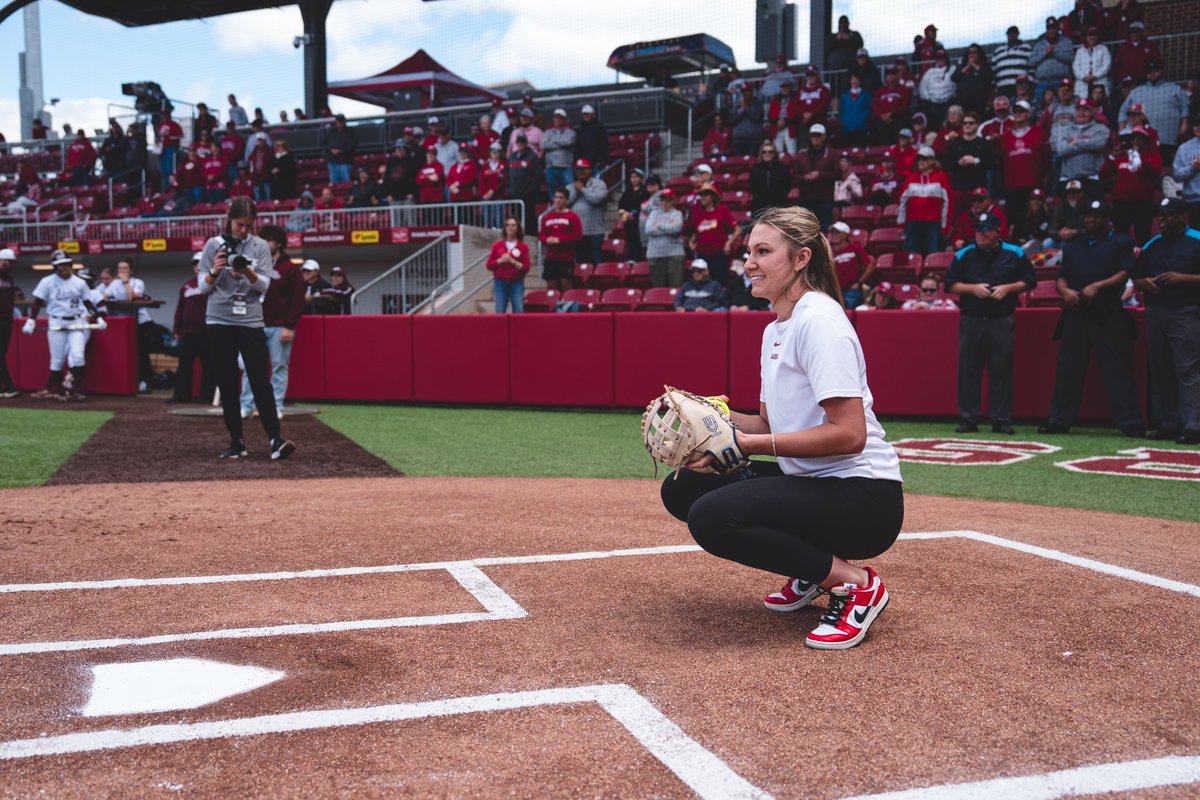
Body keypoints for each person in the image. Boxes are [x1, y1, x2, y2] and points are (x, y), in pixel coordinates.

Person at [659, 205, 903, 651]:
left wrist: (748, 444)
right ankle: (814, 569)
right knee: (683, 489)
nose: (748, 262)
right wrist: (706, 416)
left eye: (763, 251)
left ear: (801, 259)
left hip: (863, 497)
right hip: (814, 485)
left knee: (713, 516)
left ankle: (855, 585)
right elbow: (770, 423)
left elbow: (849, 435)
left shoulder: (820, 323)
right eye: (749, 251)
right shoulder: (776, 329)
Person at [197, 197, 294, 459]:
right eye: (240, 225)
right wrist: (217, 270)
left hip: (250, 319)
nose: (244, 230)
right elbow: (202, 287)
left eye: (249, 226)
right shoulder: (213, 245)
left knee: (260, 379)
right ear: (230, 220)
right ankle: (236, 441)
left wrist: (246, 270)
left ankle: (275, 438)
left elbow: (264, 285)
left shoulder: (260, 245)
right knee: (227, 381)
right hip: (219, 319)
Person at [1038, 200, 1144, 437]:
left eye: (1096, 216)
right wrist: (1065, 292)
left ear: (1107, 219)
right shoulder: (1073, 246)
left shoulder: (1120, 242)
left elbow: (1125, 272)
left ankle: (1130, 422)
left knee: (1117, 368)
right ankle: (1059, 419)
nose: (1090, 220)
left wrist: (1097, 286)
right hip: (1076, 311)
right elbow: (1062, 277)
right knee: (1068, 368)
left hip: (1107, 310)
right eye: (1087, 216)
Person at [944, 213, 1037, 434]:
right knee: (968, 369)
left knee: (1001, 369)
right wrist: (972, 289)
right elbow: (950, 285)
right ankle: (968, 418)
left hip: (1001, 319)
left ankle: (1001, 419)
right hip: (971, 318)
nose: (982, 233)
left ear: (997, 232)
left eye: (987, 229)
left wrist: (1007, 288)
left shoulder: (1015, 253)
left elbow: (1030, 281)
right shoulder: (964, 254)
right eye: (978, 229)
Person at [1130, 198, 1200, 444]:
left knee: (1188, 368)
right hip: (1156, 311)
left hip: (1186, 311)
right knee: (1161, 368)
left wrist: (1184, 278)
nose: (1162, 220)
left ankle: (1193, 425)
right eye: (1160, 215)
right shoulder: (1153, 243)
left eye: (1168, 215)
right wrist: (1144, 284)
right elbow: (1135, 275)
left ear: (1183, 216)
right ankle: (1170, 423)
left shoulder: (1196, 240)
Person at [238, 224, 305, 417]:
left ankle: (276, 407)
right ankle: (247, 406)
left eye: (269, 240)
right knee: (251, 367)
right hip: (254, 324)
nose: (265, 244)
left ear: (279, 242)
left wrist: (289, 326)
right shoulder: (254, 266)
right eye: (262, 240)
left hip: (279, 326)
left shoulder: (290, 269)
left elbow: (297, 301)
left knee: (279, 367)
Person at [21, 250, 101, 402]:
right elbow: (37, 301)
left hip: (76, 321)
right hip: (56, 321)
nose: (63, 268)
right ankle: (60, 391)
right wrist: (31, 320)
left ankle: (76, 390)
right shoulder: (47, 281)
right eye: (59, 265)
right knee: (57, 359)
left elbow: (88, 302)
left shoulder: (79, 282)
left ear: (70, 265)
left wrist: (98, 318)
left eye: (65, 264)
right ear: (55, 267)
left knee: (78, 356)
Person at [1119, 61, 1190, 164]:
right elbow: (1124, 109)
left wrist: (1185, 123)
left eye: (1156, 71)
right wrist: (1121, 126)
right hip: (1141, 139)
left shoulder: (1174, 89)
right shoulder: (1137, 91)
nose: (1153, 73)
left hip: (1166, 138)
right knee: (1140, 166)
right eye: (1149, 71)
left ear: (1161, 71)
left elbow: (1185, 106)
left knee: (1164, 166)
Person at [1101, 127, 1160, 244]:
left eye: (1139, 139)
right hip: (1121, 204)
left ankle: (1142, 259)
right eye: (1133, 139)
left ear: (1145, 141)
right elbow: (1103, 175)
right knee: (1119, 237)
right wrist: (1113, 156)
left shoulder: (1152, 155)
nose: (1135, 141)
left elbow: (1155, 172)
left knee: (1142, 236)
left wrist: (1140, 157)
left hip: (1143, 203)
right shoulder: (1121, 156)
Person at [170, 252, 215, 404]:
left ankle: (206, 396)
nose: (198, 266)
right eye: (195, 264)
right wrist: (176, 329)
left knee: (208, 365)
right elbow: (180, 309)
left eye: (201, 263)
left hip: (206, 332)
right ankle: (181, 396)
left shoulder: (212, 284)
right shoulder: (186, 285)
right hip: (187, 332)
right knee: (184, 365)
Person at [997, 100, 1048, 224]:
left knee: (1034, 221)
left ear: (1029, 113)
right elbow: (1000, 161)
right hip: (1013, 188)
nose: (1018, 113)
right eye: (1015, 111)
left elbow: (1047, 159)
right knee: (1014, 223)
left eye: (1022, 111)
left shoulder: (1038, 132)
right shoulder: (1005, 137)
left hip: (1033, 185)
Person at [897, 146, 951, 256]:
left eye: (924, 158)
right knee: (913, 254)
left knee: (933, 254)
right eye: (918, 159)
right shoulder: (911, 177)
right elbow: (902, 202)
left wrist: (945, 226)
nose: (920, 161)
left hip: (933, 222)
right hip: (913, 222)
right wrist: (900, 224)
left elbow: (948, 203)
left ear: (932, 160)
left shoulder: (941, 176)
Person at [686, 184, 739, 285]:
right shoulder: (699, 213)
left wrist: (728, 243)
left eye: (705, 194)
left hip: (719, 253)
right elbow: (697, 231)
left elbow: (737, 230)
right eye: (701, 195)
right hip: (702, 253)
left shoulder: (722, 210)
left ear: (712, 196)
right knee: (702, 283)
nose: (702, 197)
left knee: (720, 281)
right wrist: (691, 242)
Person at [1052, 98, 1108, 193]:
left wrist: (1074, 142)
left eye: (1085, 110)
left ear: (1092, 112)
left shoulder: (1100, 128)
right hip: (1069, 178)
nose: (1081, 113)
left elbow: (1098, 144)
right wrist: (1087, 143)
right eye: (1078, 109)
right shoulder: (1065, 129)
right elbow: (1061, 149)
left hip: (1092, 177)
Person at [792, 123, 837, 231]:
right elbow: (793, 177)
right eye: (813, 135)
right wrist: (804, 177)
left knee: (825, 230)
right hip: (806, 199)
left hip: (825, 200)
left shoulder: (831, 153)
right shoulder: (801, 154)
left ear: (824, 136)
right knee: (805, 231)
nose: (815, 138)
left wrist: (820, 174)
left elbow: (837, 174)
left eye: (818, 135)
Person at [538, 188, 582, 293]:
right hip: (551, 257)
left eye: (561, 198)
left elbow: (578, 236)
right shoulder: (547, 217)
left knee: (566, 287)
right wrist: (546, 239)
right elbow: (541, 235)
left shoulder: (572, 217)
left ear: (567, 200)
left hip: (566, 258)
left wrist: (560, 240)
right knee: (551, 288)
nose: (558, 200)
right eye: (556, 197)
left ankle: (567, 308)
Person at [488, 215, 530, 313]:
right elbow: (489, 265)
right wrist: (500, 260)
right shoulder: (497, 245)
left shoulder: (523, 247)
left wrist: (513, 262)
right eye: (507, 225)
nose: (510, 227)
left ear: (518, 228)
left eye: (513, 225)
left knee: (518, 310)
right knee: (499, 311)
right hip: (500, 282)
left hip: (516, 282)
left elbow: (526, 268)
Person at [644, 188, 685, 287]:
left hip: (674, 253)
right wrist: (667, 227)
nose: (664, 202)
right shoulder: (653, 214)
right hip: (655, 253)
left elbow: (676, 228)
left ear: (672, 200)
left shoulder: (677, 214)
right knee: (658, 287)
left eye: (667, 199)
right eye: (662, 199)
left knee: (676, 286)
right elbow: (648, 230)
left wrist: (659, 225)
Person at [828, 221, 874, 308]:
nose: (834, 234)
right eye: (832, 232)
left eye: (837, 232)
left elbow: (870, 266)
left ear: (845, 234)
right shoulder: (829, 251)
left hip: (852, 290)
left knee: (845, 307)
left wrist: (859, 283)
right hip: (835, 290)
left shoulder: (855, 248)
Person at [1029, 17, 1074, 104]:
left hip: (1061, 81)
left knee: (1064, 104)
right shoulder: (1039, 44)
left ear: (1058, 29)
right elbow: (1031, 62)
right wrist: (1045, 54)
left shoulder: (1066, 41)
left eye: (1054, 28)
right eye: (1049, 28)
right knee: (1039, 105)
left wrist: (1055, 53)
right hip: (1043, 82)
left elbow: (1071, 57)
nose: (1052, 30)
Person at [507, 132, 542, 233]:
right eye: (518, 142)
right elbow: (507, 174)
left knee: (528, 220)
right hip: (514, 195)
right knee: (515, 219)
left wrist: (528, 191)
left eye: (522, 142)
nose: (520, 144)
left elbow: (537, 175)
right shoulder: (512, 157)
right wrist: (510, 189)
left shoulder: (532, 157)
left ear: (526, 143)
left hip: (528, 196)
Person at [1112, 21, 1162, 86]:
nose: (1134, 34)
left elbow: (1157, 61)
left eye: (1136, 31)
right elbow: (1117, 65)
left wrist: (1151, 75)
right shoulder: (1124, 47)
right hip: (1129, 82)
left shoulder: (1150, 45)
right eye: (1132, 32)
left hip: (1146, 81)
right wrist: (1124, 76)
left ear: (1141, 32)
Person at [748, 141, 791, 216]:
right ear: (761, 154)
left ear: (774, 154)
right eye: (764, 152)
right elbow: (752, 187)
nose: (767, 154)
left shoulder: (783, 168)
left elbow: (787, 186)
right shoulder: (755, 169)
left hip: (779, 208)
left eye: (770, 152)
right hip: (759, 208)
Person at [0, 248, 21, 398]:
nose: (11, 265)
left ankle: (5, 386)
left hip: (6, 319)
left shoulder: (10, 278)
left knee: (2, 352)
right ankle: (8, 385)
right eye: (9, 262)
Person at [1174, 112, 1200, 229]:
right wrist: (1193, 168)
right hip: (1193, 202)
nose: (1198, 127)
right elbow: (1176, 175)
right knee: (1195, 239)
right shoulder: (1184, 148)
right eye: (1196, 124)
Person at [871, 68, 911, 145]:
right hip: (882, 121)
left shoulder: (903, 90)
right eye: (888, 74)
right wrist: (881, 115)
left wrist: (892, 113)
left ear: (897, 75)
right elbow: (875, 105)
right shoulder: (880, 91)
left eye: (893, 74)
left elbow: (904, 104)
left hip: (898, 120)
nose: (890, 76)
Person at [542, 108, 576, 198]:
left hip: (566, 166)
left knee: (569, 190)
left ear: (565, 120)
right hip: (551, 166)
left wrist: (553, 141)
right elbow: (544, 144)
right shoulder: (547, 132)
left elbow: (568, 141)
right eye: (556, 118)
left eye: (560, 118)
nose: (558, 120)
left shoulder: (570, 132)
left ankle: (569, 209)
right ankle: (555, 209)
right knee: (553, 191)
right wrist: (561, 143)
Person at [952, 44, 993, 117]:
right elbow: (954, 77)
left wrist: (974, 64)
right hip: (963, 103)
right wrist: (968, 66)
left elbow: (988, 76)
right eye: (969, 52)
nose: (971, 54)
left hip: (979, 103)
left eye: (974, 52)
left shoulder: (984, 65)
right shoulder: (962, 66)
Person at [918, 50, 955, 131]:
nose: (940, 60)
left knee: (948, 122)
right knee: (934, 123)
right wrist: (927, 97)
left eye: (942, 58)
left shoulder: (952, 69)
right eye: (938, 58)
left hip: (947, 101)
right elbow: (923, 85)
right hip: (933, 102)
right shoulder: (930, 71)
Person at [617, 168, 649, 261]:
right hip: (629, 224)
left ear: (641, 178)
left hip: (641, 222)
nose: (634, 179)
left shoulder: (645, 191)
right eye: (632, 177)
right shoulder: (627, 192)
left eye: (636, 177)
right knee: (631, 244)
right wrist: (623, 212)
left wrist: (635, 214)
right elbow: (621, 205)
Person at [992, 26, 1032, 99]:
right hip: (1003, 88)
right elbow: (993, 69)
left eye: (1014, 33)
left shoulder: (1026, 48)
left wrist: (1030, 83)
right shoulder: (998, 51)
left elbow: (1032, 66)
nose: (1011, 36)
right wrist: (994, 85)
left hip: (1021, 88)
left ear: (1018, 34)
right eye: (1009, 34)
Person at [1011, 188, 1054, 252]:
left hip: (1041, 247)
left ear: (1043, 202)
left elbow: (1049, 234)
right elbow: (1015, 235)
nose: (1035, 202)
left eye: (1039, 200)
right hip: (1024, 247)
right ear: (1029, 202)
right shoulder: (1021, 216)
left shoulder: (1048, 216)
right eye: (1033, 200)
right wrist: (1020, 240)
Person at [1073, 26, 1111, 98]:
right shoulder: (1080, 51)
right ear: (1086, 37)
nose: (1092, 37)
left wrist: (1095, 76)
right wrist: (1083, 77)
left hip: (1099, 81)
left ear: (1098, 37)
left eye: (1094, 35)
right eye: (1090, 35)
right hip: (1083, 83)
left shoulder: (1104, 49)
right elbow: (1075, 67)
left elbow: (1107, 65)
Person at [768, 78, 801, 156]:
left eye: (786, 87)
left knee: (792, 152)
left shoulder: (795, 98)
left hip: (790, 127)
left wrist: (785, 121)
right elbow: (770, 115)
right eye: (783, 87)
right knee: (778, 153)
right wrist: (777, 121)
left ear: (790, 88)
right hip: (777, 128)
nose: (784, 89)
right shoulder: (775, 99)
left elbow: (797, 114)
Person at [730, 84, 765, 157]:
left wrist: (745, 108)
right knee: (740, 163)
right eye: (743, 91)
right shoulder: (737, 105)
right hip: (739, 139)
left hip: (753, 139)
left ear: (751, 92)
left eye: (747, 91)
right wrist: (741, 111)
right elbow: (732, 120)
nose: (745, 93)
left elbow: (756, 116)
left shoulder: (757, 104)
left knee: (753, 163)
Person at [839, 73, 872, 147]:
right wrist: (845, 121)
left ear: (860, 81)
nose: (854, 81)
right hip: (847, 129)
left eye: (856, 79)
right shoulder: (845, 96)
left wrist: (862, 120)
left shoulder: (866, 95)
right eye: (852, 79)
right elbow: (841, 111)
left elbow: (868, 109)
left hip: (860, 128)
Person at [325, 114, 357, 185]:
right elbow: (325, 144)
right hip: (333, 161)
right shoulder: (331, 131)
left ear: (344, 121)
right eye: (338, 121)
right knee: (334, 183)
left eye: (341, 121)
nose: (339, 122)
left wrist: (340, 151)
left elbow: (352, 145)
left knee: (346, 183)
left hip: (345, 161)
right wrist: (331, 150)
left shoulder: (350, 131)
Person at [573, 105, 608, 171]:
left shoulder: (599, 128)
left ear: (593, 115)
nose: (586, 116)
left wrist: (601, 161)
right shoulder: (580, 130)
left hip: (596, 164)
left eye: (588, 114)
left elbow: (604, 144)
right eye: (584, 114)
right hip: (584, 165)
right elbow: (577, 147)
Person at [157, 108, 183, 191]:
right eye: (162, 114)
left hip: (170, 148)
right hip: (161, 149)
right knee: (164, 170)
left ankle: (171, 188)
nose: (163, 116)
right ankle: (166, 188)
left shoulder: (174, 124)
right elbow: (159, 136)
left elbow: (180, 135)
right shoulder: (160, 125)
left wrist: (168, 135)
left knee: (170, 169)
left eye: (165, 114)